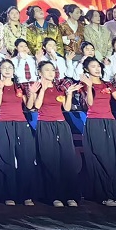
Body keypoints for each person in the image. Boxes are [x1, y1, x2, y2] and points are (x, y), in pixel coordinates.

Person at [30, 61, 81, 207]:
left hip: (61, 125)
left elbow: (67, 108)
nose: (51, 72)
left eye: (53, 70)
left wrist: (69, 94)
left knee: (67, 160)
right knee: (49, 160)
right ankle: (54, 196)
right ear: (40, 72)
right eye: (47, 70)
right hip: (45, 125)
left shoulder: (59, 87)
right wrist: (42, 90)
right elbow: (36, 106)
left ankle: (70, 196)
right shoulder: (36, 87)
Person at [79, 58, 116, 207]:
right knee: (100, 158)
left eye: (98, 66)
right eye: (93, 66)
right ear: (87, 70)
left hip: (110, 122)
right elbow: (90, 104)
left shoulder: (108, 84)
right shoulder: (85, 84)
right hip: (95, 122)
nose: (97, 69)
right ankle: (105, 195)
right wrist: (89, 87)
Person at [0, 59, 36, 206]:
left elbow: (29, 106)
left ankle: (26, 195)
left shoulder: (19, 86)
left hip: (21, 123)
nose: (7, 70)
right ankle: (8, 194)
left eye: (10, 67)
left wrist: (32, 94)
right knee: (6, 158)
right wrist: (0, 88)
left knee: (26, 158)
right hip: (4, 123)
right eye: (4, 67)